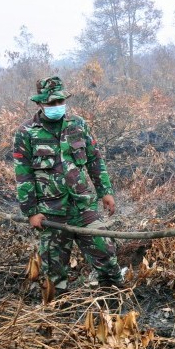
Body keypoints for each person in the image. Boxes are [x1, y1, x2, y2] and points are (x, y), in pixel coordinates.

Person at [13, 76, 124, 297]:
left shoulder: (77, 124)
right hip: (50, 212)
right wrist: (31, 212)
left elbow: (94, 160)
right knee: (54, 270)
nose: (56, 107)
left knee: (106, 252)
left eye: (59, 102)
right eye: (51, 103)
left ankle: (113, 298)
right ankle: (59, 314)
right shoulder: (26, 132)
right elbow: (23, 175)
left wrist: (105, 192)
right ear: (40, 104)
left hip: (83, 206)